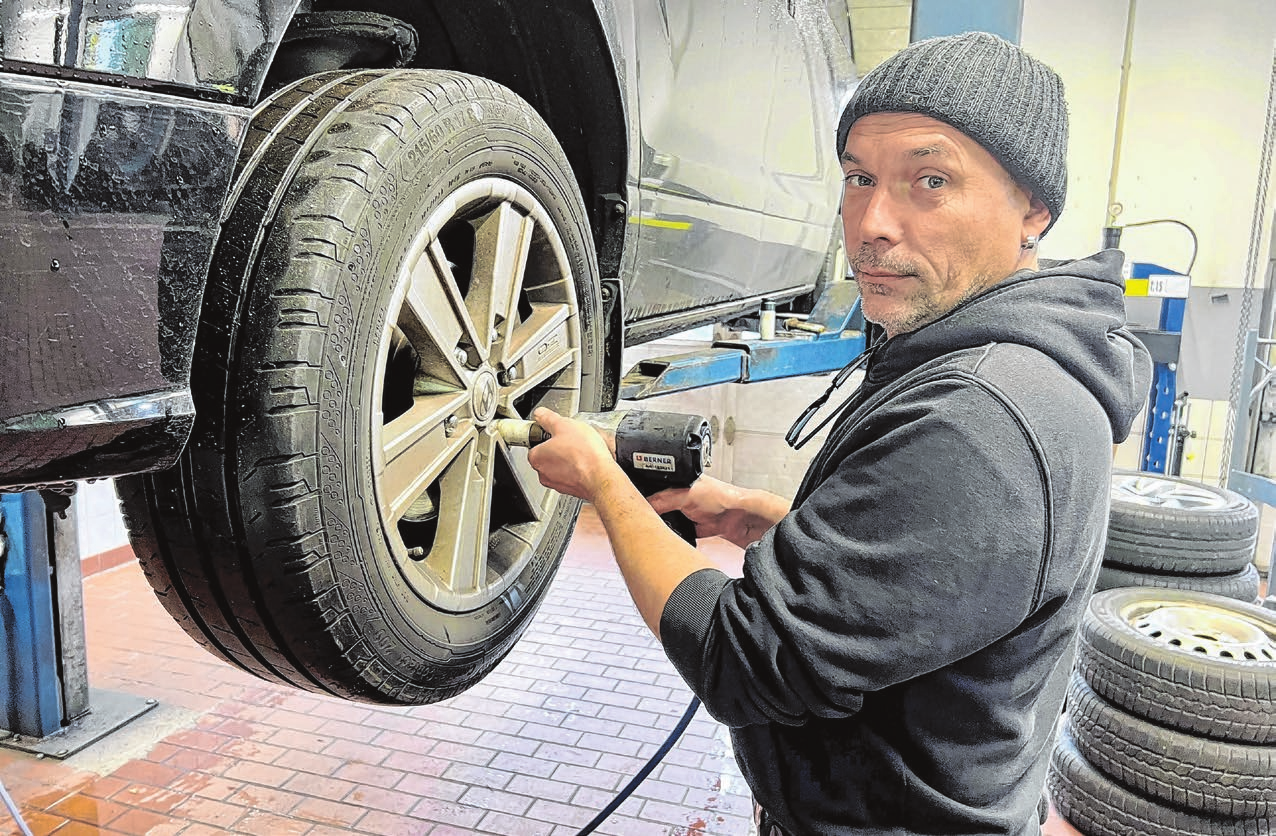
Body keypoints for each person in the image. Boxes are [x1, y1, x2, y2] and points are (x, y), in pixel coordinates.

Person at [528, 32, 1151, 836]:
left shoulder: (980, 418)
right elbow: (943, 574)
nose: (872, 223)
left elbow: (743, 661)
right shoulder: (1013, 372)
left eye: (930, 180)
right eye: (859, 177)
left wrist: (607, 488)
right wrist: (783, 524)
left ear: (1033, 209)